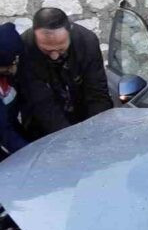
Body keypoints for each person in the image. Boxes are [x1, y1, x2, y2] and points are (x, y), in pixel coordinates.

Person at [19, 8, 113, 138]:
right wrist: (68, 139)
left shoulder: (87, 42)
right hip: (43, 126)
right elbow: (41, 103)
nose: (54, 56)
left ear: (70, 33)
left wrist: (97, 132)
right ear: (35, 36)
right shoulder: (24, 46)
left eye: (60, 48)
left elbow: (97, 93)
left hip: (82, 113)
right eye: (46, 50)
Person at [0, 23, 27, 155]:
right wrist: (28, 153)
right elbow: (3, 131)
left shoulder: (8, 78)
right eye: (9, 65)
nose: (13, 68)